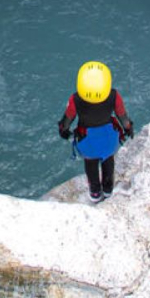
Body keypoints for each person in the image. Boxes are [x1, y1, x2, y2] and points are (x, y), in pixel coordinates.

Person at [56, 61, 135, 203]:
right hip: (109, 140)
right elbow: (122, 116)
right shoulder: (114, 96)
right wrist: (129, 128)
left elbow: (67, 120)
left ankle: (95, 192)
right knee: (108, 161)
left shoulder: (75, 99)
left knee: (91, 165)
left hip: (88, 141)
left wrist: (64, 130)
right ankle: (108, 189)